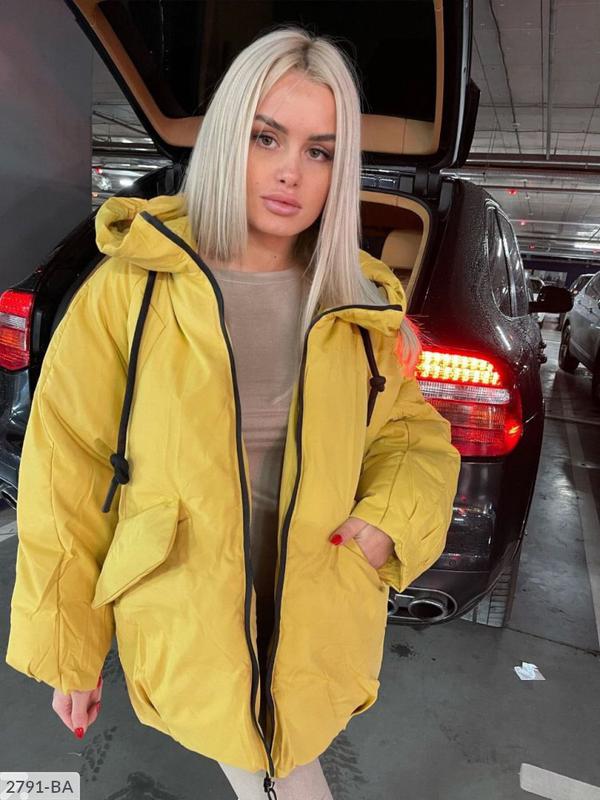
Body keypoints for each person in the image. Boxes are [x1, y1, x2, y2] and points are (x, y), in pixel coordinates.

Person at [5, 24, 461, 800]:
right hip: (190, 605)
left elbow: (411, 433)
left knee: (281, 757)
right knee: (277, 773)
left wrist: (389, 518)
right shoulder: (133, 290)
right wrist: (70, 651)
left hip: (315, 603)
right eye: (266, 137)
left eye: (320, 151)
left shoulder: (358, 300)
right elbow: (66, 474)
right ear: (227, 140)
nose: (291, 172)